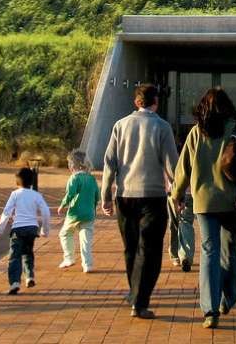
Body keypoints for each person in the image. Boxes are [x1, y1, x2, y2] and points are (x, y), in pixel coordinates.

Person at [171, 87, 236, 329]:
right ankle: (229, 298)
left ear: (202, 107)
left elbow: (183, 168)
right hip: (233, 202)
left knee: (208, 252)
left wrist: (177, 195)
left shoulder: (196, 133)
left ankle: (210, 310)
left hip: (204, 202)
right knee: (230, 249)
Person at [101, 83, 179, 319]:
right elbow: (172, 165)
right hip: (153, 196)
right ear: (156, 102)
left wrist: (106, 196)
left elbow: (109, 162)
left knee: (131, 248)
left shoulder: (120, 125)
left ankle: (134, 292)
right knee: (150, 249)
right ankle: (139, 301)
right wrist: (179, 194)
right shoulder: (162, 127)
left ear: (136, 102)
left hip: (125, 196)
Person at [0, 166, 51, 294]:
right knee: (28, 252)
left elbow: (7, 212)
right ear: (32, 181)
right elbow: (46, 211)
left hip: (18, 229)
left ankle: (15, 282)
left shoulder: (15, 194)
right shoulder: (36, 195)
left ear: (17, 181)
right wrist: (45, 230)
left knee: (15, 256)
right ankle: (29, 277)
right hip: (32, 229)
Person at [58, 150, 99, 273]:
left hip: (74, 213)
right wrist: (94, 207)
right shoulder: (92, 179)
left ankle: (69, 258)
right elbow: (97, 196)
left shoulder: (74, 178)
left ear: (73, 165)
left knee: (65, 233)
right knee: (86, 240)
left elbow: (70, 194)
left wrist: (62, 205)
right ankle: (87, 265)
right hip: (89, 214)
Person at [168, 182, 196, 272]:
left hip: (177, 192)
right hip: (184, 192)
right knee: (182, 224)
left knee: (178, 224)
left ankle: (182, 257)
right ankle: (181, 255)